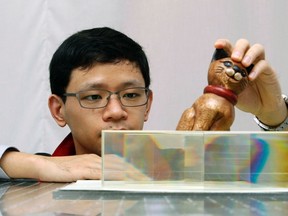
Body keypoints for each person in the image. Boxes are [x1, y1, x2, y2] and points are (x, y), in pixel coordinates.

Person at [0, 27, 287, 182]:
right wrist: (22, 162)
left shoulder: (193, 166)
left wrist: (275, 116)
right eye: (93, 97)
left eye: (131, 95)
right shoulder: (29, 175)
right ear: (58, 110)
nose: (116, 112)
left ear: (148, 104)